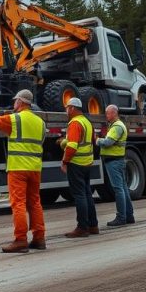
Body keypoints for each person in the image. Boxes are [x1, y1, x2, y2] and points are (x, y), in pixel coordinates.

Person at [0, 89, 47, 253]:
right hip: (35, 168)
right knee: (35, 203)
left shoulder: (15, 119)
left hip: (18, 168)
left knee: (18, 204)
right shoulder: (40, 122)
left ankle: (20, 240)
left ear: (21, 102)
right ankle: (39, 239)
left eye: (15, 100)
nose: (14, 103)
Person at [58, 97, 98, 237]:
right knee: (87, 194)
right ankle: (93, 225)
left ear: (73, 108)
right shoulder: (87, 122)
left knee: (80, 195)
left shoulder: (74, 123)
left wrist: (64, 161)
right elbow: (93, 141)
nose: (66, 110)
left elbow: (73, 146)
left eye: (67, 107)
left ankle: (82, 227)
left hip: (76, 164)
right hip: (87, 163)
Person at [98, 104, 134, 226]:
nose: (106, 115)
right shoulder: (116, 125)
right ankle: (129, 216)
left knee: (118, 189)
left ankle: (121, 217)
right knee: (123, 188)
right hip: (117, 160)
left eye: (107, 113)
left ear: (114, 113)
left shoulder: (117, 126)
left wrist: (96, 140)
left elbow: (108, 142)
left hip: (114, 161)